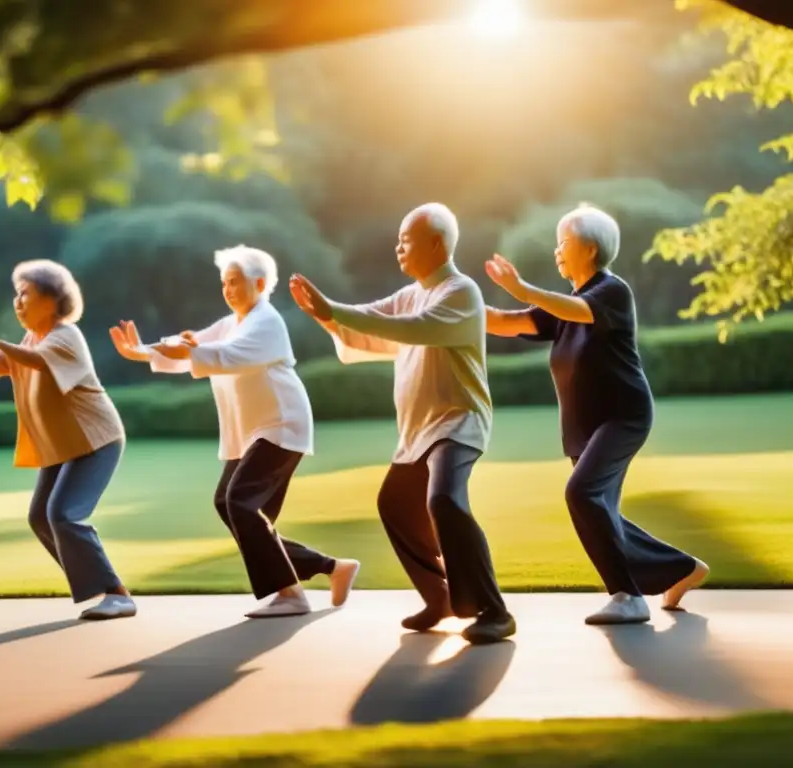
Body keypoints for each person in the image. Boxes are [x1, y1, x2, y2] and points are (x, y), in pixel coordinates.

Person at [290, 203, 516, 645]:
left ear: (436, 244)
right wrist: (324, 314)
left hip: (458, 422)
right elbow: (370, 327)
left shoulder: (460, 291)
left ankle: (495, 610)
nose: (398, 248)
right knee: (394, 504)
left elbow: (410, 329)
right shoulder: (410, 293)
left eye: (406, 240)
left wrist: (333, 308)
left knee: (445, 502)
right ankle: (440, 597)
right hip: (418, 431)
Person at [483, 203, 709, 625]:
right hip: (583, 428)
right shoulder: (566, 303)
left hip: (621, 418)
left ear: (589, 249)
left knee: (582, 494)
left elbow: (578, 313)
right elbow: (509, 323)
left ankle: (628, 596)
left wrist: (525, 289)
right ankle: (681, 568)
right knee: (600, 508)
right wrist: (451, 314)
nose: (556, 251)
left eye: (563, 242)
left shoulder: (610, 291)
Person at [109, 245, 360, 619]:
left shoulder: (266, 322)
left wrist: (184, 351)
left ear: (259, 283)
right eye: (224, 282)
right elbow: (192, 345)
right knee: (231, 505)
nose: (227, 289)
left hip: (281, 425)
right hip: (252, 431)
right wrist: (143, 352)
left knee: (241, 504)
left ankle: (290, 594)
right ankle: (331, 567)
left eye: (235, 282)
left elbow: (225, 355)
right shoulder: (232, 322)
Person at [0, 259, 136, 620]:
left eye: (26, 294)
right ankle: (98, 583)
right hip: (62, 446)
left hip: (96, 440)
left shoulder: (65, 336)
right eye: (16, 295)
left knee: (64, 515)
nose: (17, 301)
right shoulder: (27, 341)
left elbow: (36, 361)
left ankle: (115, 593)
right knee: (40, 517)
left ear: (53, 301)